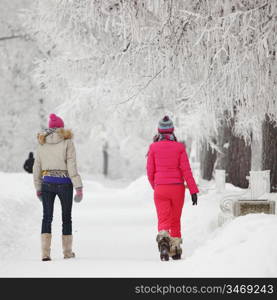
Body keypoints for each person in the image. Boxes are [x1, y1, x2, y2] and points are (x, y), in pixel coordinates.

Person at [146, 116, 199, 261]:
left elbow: (150, 171)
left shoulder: (153, 148)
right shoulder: (179, 147)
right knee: (175, 219)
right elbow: (186, 171)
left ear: (159, 130)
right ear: (172, 130)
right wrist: (193, 190)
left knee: (163, 219)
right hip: (177, 188)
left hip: (160, 188)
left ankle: (164, 242)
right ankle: (175, 249)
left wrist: (156, 185)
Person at [33, 113, 83, 261]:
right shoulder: (67, 142)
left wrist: (38, 187)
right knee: (66, 217)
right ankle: (67, 252)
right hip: (65, 184)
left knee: (46, 217)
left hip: (47, 183)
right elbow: (71, 165)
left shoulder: (41, 143)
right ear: (61, 128)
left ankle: (45, 253)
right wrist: (78, 187)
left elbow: (37, 167)